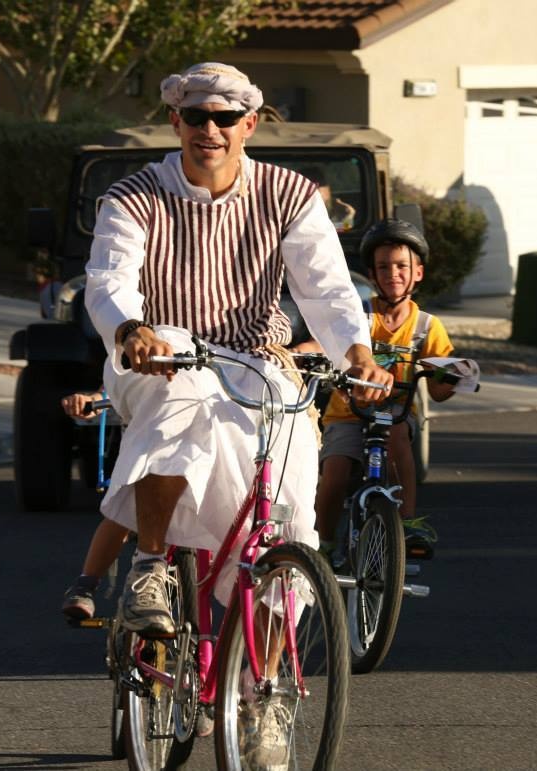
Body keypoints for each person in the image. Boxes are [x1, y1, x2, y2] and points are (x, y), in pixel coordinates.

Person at [82, 62, 392, 642]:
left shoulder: (290, 194)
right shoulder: (134, 195)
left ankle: (264, 693)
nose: (210, 130)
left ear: (248, 124)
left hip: (257, 359)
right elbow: (108, 280)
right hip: (160, 356)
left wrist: (357, 355)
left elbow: (326, 287)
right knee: (183, 388)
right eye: (197, 117)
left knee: (292, 512)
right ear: (176, 121)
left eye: (224, 118)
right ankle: (150, 566)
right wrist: (131, 331)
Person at [314, 218, 456, 562]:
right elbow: (323, 343)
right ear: (372, 275)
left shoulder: (426, 326)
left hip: (396, 411)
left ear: (418, 272)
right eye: (383, 267)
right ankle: (324, 541)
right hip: (349, 411)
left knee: (396, 438)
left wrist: (452, 377)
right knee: (334, 472)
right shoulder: (359, 316)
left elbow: (440, 389)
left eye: (401, 266)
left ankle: (407, 522)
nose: (393, 273)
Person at [59, 391, 130, 620]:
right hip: (148, 438)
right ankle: (86, 584)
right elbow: (118, 377)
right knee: (126, 509)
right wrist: (95, 400)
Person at [300, 166, 356, 231]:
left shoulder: (337, 209)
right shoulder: (297, 218)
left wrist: (347, 217)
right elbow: (325, 231)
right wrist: (348, 220)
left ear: (328, 190)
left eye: (321, 183)